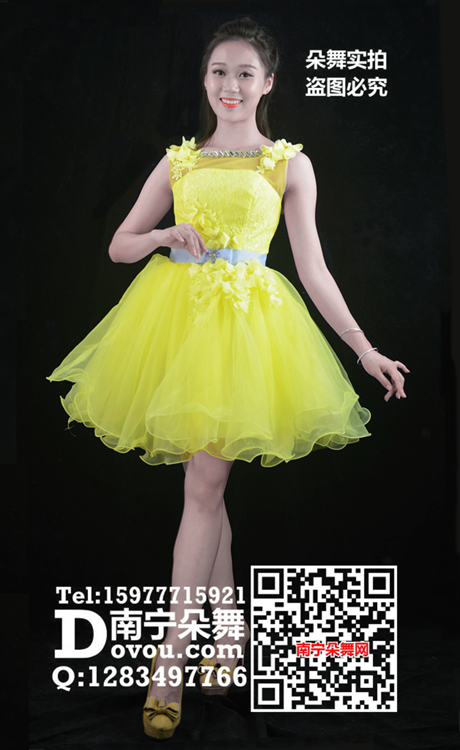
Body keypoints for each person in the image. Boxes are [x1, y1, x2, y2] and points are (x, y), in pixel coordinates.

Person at [47, 17, 408, 741]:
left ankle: (169, 665)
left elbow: (313, 268)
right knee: (205, 488)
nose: (230, 85)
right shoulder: (179, 162)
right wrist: (164, 235)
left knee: (203, 488)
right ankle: (229, 640)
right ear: (205, 80)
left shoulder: (287, 165)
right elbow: (120, 246)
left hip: (244, 333)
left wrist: (363, 349)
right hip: (176, 329)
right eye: (219, 71)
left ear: (268, 83)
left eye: (245, 73)